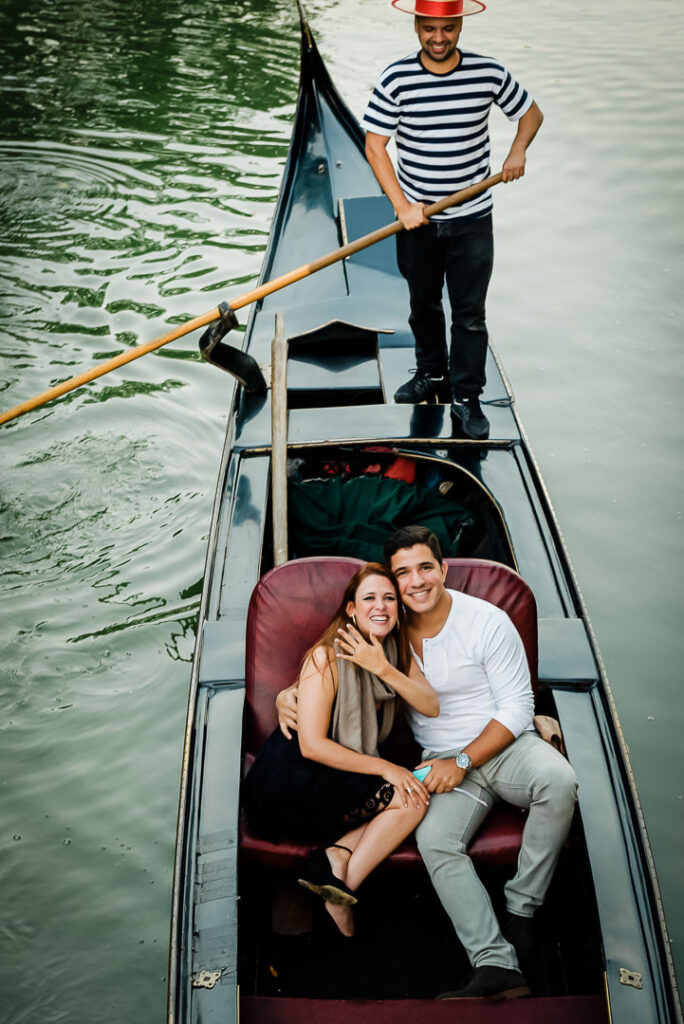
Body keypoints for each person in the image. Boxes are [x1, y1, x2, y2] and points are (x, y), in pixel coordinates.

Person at [277, 528, 578, 998]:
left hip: (504, 746)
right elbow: (331, 667)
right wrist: (286, 694)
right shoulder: (390, 631)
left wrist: (462, 759)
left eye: (424, 568)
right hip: (439, 761)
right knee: (435, 838)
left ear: (444, 569)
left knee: (559, 781)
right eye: (402, 573)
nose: (415, 581)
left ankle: (521, 910)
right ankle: (494, 964)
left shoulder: (487, 621)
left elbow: (517, 706)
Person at [361, 0, 544, 439]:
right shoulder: (397, 77)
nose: (437, 38)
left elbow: (531, 114)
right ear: (417, 27)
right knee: (422, 305)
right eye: (428, 28)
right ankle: (432, 374)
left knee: (469, 314)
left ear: (460, 25)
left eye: (446, 28)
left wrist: (517, 150)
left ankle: (466, 396)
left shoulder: (488, 72)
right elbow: (374, 145)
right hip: (418, 221)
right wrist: (402, 205)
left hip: (472, 220)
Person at [243, 562, 439, 938]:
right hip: (287, 782)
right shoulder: (326, 657)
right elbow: (313, 745)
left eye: (388, 598)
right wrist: (387, 769)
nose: (380, 606)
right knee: (411, 796)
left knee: (412, 796)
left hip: (332, 774)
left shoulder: (396, 656)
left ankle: (336, 871)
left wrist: (381, 667)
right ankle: (338, 873)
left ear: (398, 609)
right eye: (369, 598)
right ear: (351, 609)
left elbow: (430, 704)